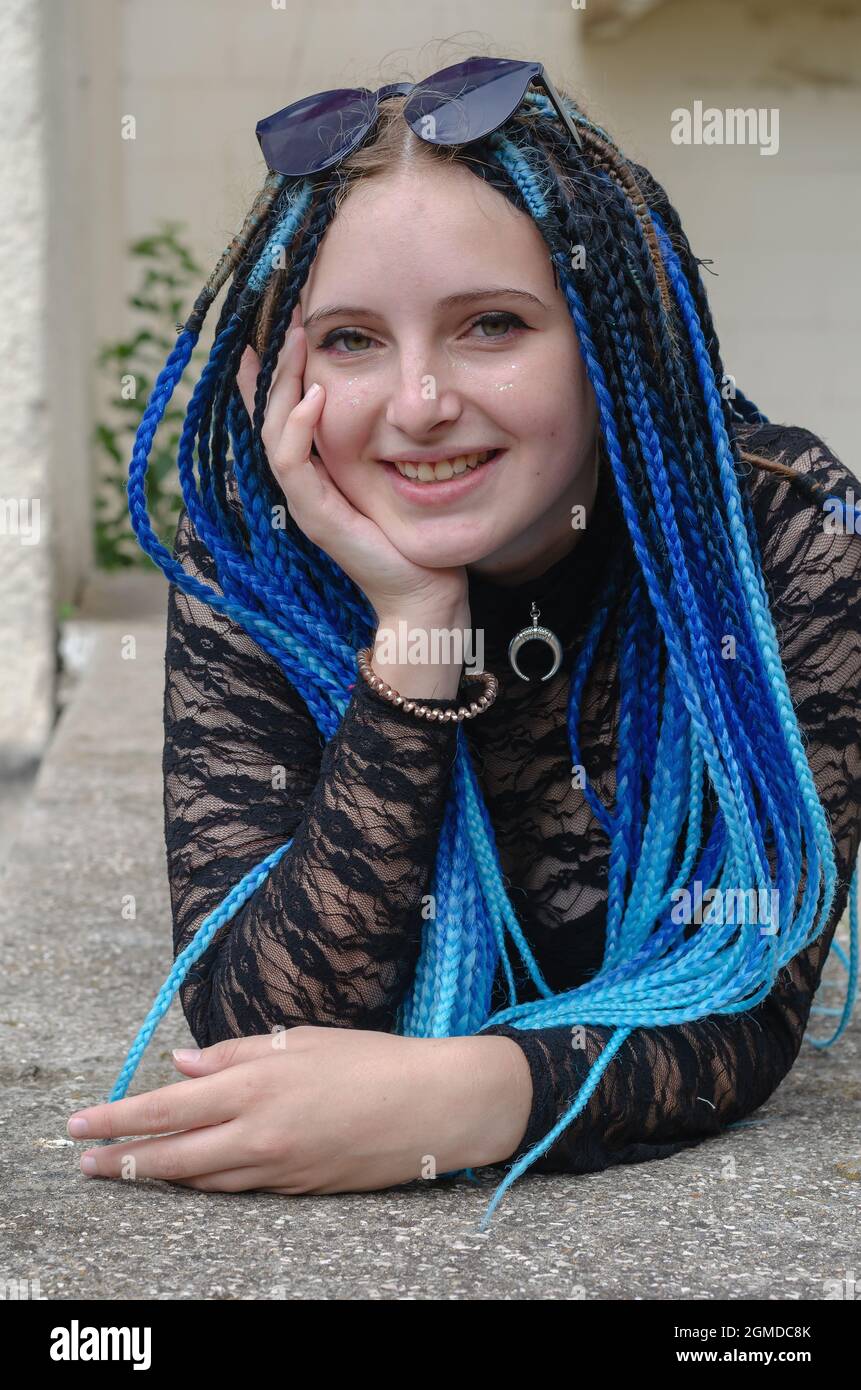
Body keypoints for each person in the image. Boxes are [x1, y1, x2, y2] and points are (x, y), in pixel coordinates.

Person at [68, 58, 861, 1230]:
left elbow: (746, 993)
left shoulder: (786, 539)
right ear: (281, 373)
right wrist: (414, 629)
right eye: (349, 341)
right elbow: (260, 1018)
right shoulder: (260, 549)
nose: (421, 400)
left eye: (491, 324)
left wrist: (465, 1100)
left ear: (610, 338)